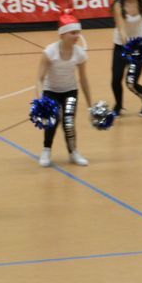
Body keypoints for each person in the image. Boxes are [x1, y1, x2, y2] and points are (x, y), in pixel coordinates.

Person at [34, 11, 92, 167]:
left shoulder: (79, 54)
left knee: (69, 121)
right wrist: (40, 101)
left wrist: (90, 105)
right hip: (51, 91)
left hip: (70, 92)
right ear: (62, 34)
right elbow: (39, 79)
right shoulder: (49, 52)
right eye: (73, 33)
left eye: (78, 33)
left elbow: (84, 80)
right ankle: (46, 150)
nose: (76, 36)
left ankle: (73, 152)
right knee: (52, 121)